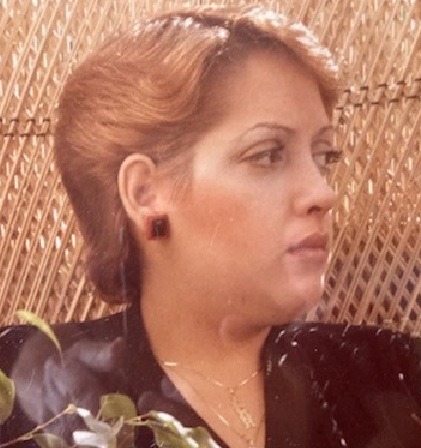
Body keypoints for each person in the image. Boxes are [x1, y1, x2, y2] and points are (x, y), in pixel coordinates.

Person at [1, 5, 421, 448]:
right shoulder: (24, 388)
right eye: (267, 155)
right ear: (146, 193)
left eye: (324, 157)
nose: (323, 192)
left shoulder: (394, 376)